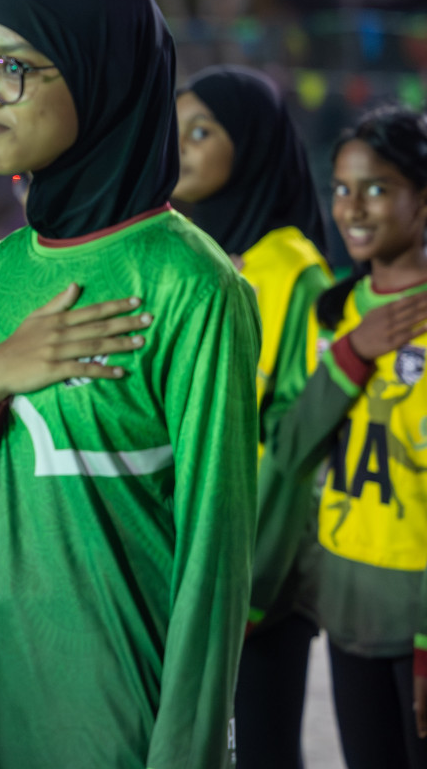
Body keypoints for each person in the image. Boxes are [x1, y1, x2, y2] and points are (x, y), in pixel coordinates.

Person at [0, 0, 260, 768]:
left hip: (123, 734)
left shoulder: (193, 283)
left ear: (101, 72)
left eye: (13, 70)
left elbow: (214, 568)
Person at [171, 65, 332, 768]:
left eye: (201, 133)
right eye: (175, 132)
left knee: (265, 752)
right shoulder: (189, 259)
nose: (180, 149)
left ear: (256, 146)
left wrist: (252, 586)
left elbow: (300, 445)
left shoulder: (293, 270)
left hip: (257, 584)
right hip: (190, 566)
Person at [260, 108, 427, 766]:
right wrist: (353, 354)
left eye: (377, 188)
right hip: (350, 613)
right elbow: (292, 447)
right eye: (341, 187)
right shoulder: (335, 312)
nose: (352, 207)